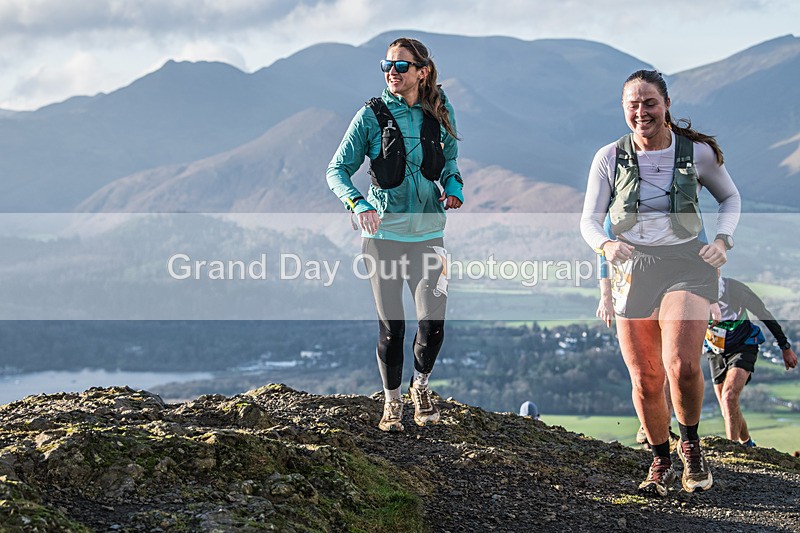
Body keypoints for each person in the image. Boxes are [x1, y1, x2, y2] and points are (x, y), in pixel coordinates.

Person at [580, 70, 741, 496]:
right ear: (623, 109)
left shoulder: (697, 153)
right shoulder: (608, 157)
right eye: (632, 105)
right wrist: (605, 245)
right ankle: (661, 460)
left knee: (682, 365)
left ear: (666, 104)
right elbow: (589, 220)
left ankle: (691, 447)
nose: (641, 112)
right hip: (633, 267)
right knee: (646, 378)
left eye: (649, 103)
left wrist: (722, 240)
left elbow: (730, 197)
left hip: (687, 262)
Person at [326, 37, 464, 432]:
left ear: (422, 72)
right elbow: (336, 170)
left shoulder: (440, 109)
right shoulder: (370, 116)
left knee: (433, 323)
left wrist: (453, 187)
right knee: (393, 327)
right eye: (386, 65)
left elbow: (450, 161)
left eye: (401, 66)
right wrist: (358, 203)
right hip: (383, 236)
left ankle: (421, 387)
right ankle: (391, 403)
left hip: (429, 234)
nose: (392, 72)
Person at [706, 274, 798, 446]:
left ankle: (732, 450)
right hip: (715, 350)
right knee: (727, 408)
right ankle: (747, 442)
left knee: (729, 398)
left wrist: (785, 347)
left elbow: (764, 313)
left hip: (744, 345)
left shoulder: (736, 289)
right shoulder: (694, 293)